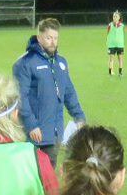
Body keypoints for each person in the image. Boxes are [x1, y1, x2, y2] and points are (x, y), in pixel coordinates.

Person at [12, 17, 86, 167]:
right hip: (33, 135)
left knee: (49, 175)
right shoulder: (25, 63)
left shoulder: (61, 63)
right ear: (39, 38)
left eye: (55, 38)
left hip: (54, 134)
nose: (53, 42)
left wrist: (79, 116)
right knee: (31, 174)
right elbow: (20, 97)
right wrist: (31, 125)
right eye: (48, 38)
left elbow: (69, 92)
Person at [106, 11, 126, 77]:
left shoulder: (122, 26)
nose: (114, 17)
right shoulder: (110, 25)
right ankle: (110, 72)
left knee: (120, 59)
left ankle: (120, 72)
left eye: (116, 16)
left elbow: (123, 33)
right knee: (111, 59)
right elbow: (108, 32)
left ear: (119, 17)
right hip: (112, 45)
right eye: (114, 16)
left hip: (120, 45)